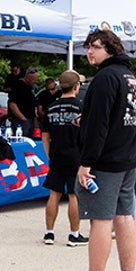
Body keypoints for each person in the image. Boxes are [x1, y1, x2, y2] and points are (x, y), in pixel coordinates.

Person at [71, 29, 136, 271]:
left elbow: (101, 125)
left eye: (97, 47)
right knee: (124, 217)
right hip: (127, 158)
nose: (90, 51)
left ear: (111, 49)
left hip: (105, 161)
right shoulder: (130, 78)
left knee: (100, 220)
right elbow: (123, 118)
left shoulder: (104, 78)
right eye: (88, 46)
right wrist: (86, 120)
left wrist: (86, 163)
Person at [40, 70, 88, 247]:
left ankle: (49, 233)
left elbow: (45, 136)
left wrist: (49, 155)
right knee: (74, 195)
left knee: (54, 194)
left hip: (57, 155)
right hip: (76, 155)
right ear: (76, 87)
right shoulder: (81, 107)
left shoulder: (51, 107)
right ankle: (74, 234)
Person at [8, 67, 40, 136]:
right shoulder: (18, 86)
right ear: (27, 77)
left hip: (31, 119)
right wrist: (23, 118)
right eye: (34, 80)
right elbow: (12, 104)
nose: (35, 82)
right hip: (22, 120)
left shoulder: (30, 87)